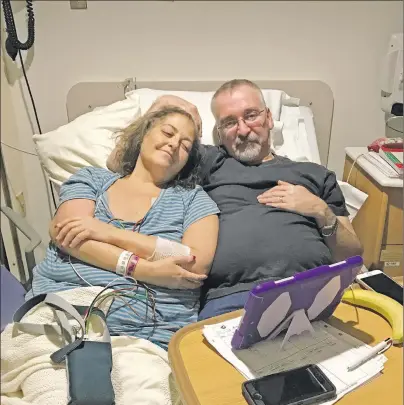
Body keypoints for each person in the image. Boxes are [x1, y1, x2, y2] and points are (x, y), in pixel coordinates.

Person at [108, 80, 363, 320]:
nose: (242, 129)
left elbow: (351, 254)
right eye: (229, 122)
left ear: (269, 118)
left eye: (251, 115)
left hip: (313, 291)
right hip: (231, 298)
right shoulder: (207, 162)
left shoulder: (315, 174)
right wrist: (164, 105)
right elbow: (120, 162)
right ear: (219, 132)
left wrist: (321, 212)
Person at [28, 106, 219, 349]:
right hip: (60, 318)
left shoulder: (193, 199)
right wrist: (146, 269)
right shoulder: (92, 180)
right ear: (144, 135)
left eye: (185, 145)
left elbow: (193, 261)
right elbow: (66, 234)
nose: (173, 145)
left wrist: (105, 232)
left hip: (146, 337)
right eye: (168, 133)